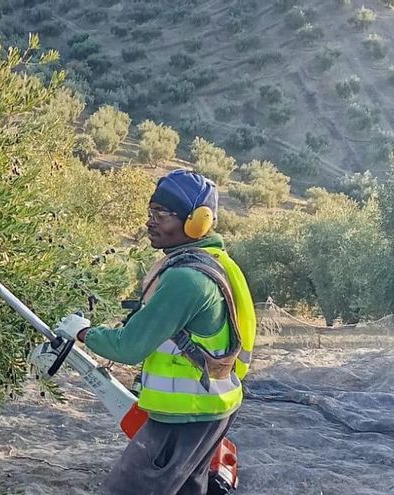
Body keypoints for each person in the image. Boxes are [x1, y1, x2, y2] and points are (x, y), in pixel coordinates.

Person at [54, 169, 256, 495]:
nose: (150, 221)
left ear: (198, 221)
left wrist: (83, 333)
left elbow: (129, 347)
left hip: (184, 417)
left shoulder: (187, 279)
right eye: (151, 212)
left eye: (161, 214)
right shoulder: (213, 262)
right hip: (210, 409)